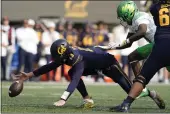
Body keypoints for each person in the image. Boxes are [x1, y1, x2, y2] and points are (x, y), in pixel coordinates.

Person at [13, 39, 163, 108]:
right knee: (71, 72)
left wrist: (63, 99)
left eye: (59, 57)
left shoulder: (76, 58)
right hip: (95, 65)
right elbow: (50, 66)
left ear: (63, 53)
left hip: (109, 64)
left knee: (132, 91)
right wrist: (29, 75)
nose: (58, 60)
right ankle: (87, 100)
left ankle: (151, 94)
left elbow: (76, 79)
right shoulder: (68, 54)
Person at [111, 0, 170, 112]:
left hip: (158, 44)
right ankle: (141, 89)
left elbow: (142, 30)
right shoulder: (134, 21)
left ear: (128, 13)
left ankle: (137, 89)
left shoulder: (142, 16)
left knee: (140, 69)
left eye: (123, 16)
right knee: (132, 57)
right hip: (158, 44)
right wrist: (114, 46)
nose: (122, 20)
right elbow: (128, 43)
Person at [2, 16, 16, 80]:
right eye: (4, 20)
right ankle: (2, 76)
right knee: (2, 63)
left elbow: (13, 39)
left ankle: (6, 76)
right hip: (2, 47)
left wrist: (13, 47)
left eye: (6, 20)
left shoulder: (11, 29)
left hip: (9, 47)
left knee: (8, 62)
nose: (5, 21)